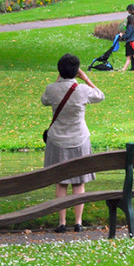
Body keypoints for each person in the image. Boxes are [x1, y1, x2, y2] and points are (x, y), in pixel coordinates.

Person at [41, 53, 105, 233]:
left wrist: (58, 79)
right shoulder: (83, 89)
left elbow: (44, 101)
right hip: (79, 139)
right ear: (77, 71)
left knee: (61, 183)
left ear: (59, 70)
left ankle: (61, 223)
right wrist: (85, 78)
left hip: (57, 140)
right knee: (79, 183)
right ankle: (78, 222)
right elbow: (100, 96)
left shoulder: (51, 88)